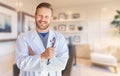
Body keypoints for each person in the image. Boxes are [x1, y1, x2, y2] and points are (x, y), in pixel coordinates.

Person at [16, 2, 69, 76]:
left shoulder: (59, 38)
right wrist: (42, 56)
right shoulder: (23, 37)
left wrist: (35, 57)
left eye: (46, 16)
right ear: (35, 16)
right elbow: (21, 63)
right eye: (40, 15)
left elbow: (62, 64)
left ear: (51, 18)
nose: (43, 19)